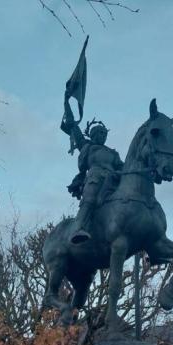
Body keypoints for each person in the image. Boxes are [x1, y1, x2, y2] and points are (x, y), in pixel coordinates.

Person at [61, 98, 123, 244]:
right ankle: (78, 228)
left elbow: (124, 167)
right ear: (93, 135)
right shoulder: (87, 146)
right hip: (95, 178)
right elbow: (74, 128)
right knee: (89, 200)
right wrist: (67, 105)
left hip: (113, 180)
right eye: (99, 134)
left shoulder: (113, 153)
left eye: (104, 134)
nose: (102, 136)